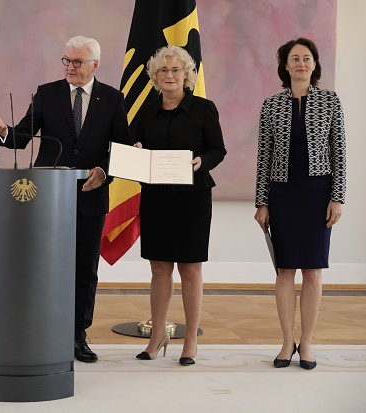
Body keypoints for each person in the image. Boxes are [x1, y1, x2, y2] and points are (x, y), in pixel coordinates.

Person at [0, 35, 131, 363]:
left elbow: (122, 147)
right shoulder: (47, 93)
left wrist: (104, 171)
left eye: (77, 62)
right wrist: (3, 132)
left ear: (95, 64)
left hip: (90, 195)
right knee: (45, 267)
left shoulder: (111, 98)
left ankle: (77, 335)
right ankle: (41, 330)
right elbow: (22, 136)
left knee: (84, 268)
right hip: (47, 196)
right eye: (66, 60)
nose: (70, 67)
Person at [254, 38, 346, 370]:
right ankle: (285, 342)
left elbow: (339, 153)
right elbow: (263, 157)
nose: (301, 64)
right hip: (282, 194)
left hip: (318, 194)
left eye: (306, 58)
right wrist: (261, 202)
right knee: (284, 270)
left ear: (315, 64)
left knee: (312, 270)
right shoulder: (271, 104)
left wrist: (338, 196)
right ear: (285, 65)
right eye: (295, 58)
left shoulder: (330, 101)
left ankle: (306, 343)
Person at [131, 45, 226, 365]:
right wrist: (137, 147)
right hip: (156, 198)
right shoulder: (146, 110)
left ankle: (189, 340)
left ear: (187, 74)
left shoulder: (203, 108)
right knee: (159, 268)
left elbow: (218, 149)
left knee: (190, 269)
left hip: (193, 198)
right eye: (163, 70)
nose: (169, 75)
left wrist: (202, 161)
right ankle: (158, 334)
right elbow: (133, 145)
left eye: (175, 70)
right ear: (155, 77)